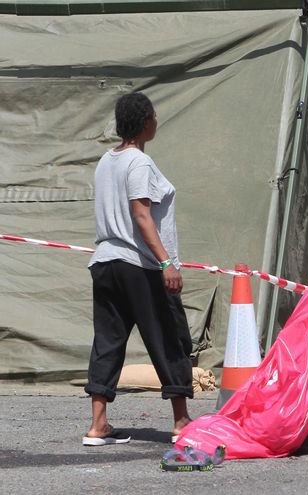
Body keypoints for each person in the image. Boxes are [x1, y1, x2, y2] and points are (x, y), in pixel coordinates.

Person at [84, 92, 192, 446]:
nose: (157, 121)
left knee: (108, 340)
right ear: (145, 121)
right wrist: (166, 262)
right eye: (154, 116)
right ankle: (181, 421)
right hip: (138, 264)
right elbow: (141, 215)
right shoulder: (139, 164)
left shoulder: (105, 160)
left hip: (105, 262)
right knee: (169, 337)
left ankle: (98, 425)